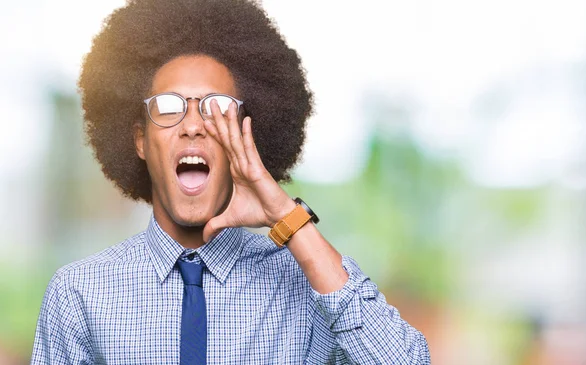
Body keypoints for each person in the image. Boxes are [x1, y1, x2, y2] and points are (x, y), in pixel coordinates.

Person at [31, 0, 431, 364]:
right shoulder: (79, 294)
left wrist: (288, 219)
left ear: (245, 136)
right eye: (169, 107)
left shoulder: (306, 288)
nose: (192, 126)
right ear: (140, 140)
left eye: (216, 108)